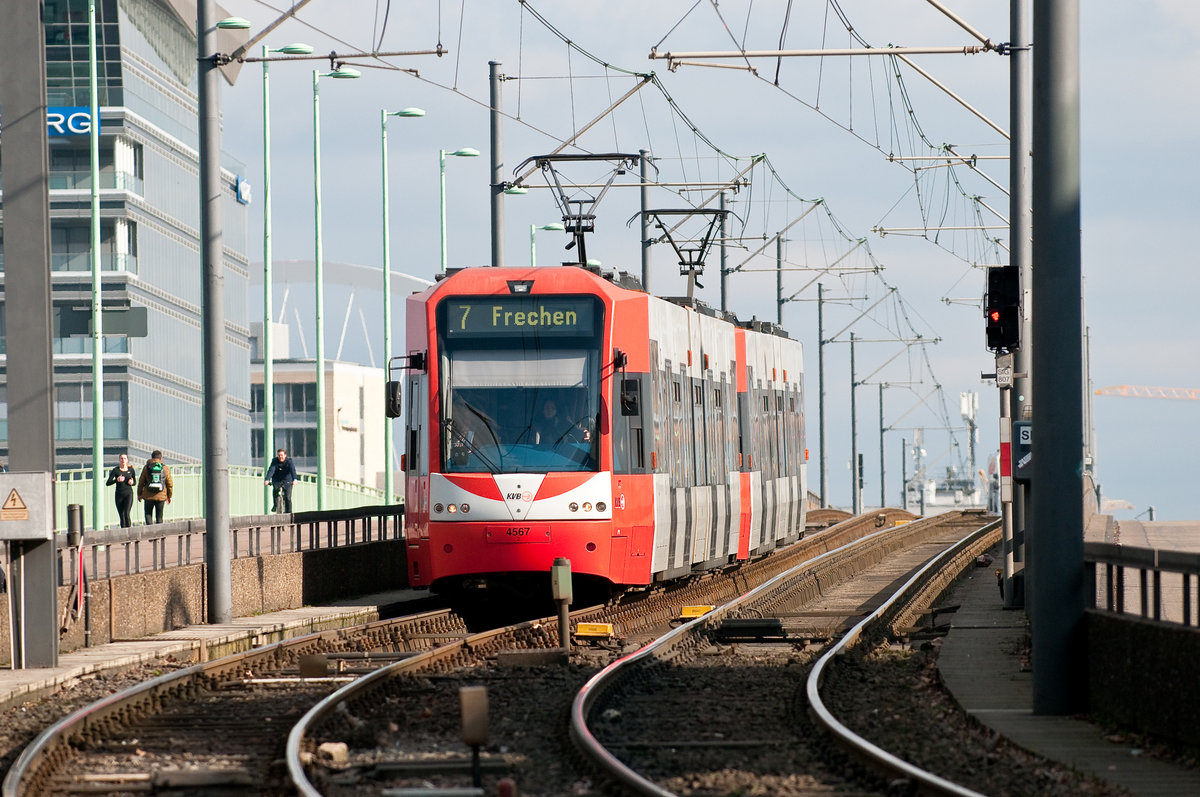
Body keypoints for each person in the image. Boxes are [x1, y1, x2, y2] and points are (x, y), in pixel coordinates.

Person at [137, 450, 172, 524]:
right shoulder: (165, 468)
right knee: (159, 517)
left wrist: (139, 494)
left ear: (152, 457)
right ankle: (159, 534)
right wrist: (169, 496)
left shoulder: (146, 467)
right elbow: (170, 484)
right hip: (161, 496)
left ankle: (149, 533)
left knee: (148, 514)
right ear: (161, 458)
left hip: (148, 496)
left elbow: (141, 482)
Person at [105, 452, 137, 528]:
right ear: (119, 460)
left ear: (127, 460)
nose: (123, 460)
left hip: (128, 494)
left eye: (124, 458)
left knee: (126, 513)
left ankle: (129, 532)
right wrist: (117, 480)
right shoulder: (116, 470)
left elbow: (135, 482)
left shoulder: (131, 470)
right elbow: (108, 482)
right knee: (121, 515)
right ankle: (123, 533)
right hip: (119, 494)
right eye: (121, 458)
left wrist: (132, 482)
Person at [264, 448, 297, 513]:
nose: (280, 457)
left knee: (288, 497)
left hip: (287, 479)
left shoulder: (289, 461)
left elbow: (293, 470)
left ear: (285, 455)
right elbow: (271, 470)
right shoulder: (275, 461)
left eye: (281, 455)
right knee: (275, 490)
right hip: (277, 479)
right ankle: (275, 505)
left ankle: (289, 512)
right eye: (279, 455)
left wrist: (294, 479)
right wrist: (267, 479)